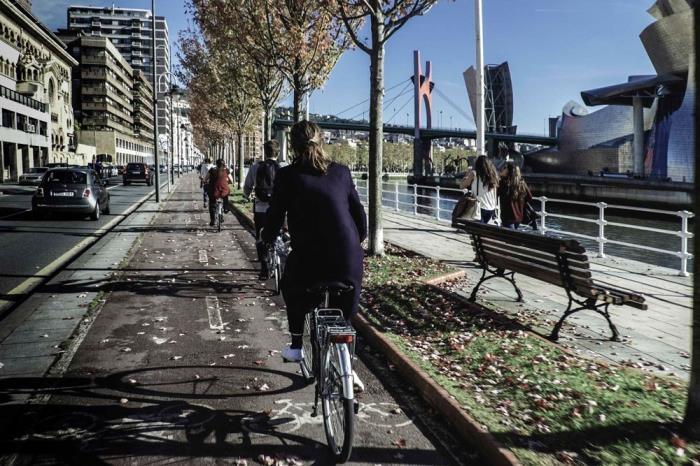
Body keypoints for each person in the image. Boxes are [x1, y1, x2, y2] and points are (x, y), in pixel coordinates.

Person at [262, 121, 367, 367]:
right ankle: (347, 369)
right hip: (348, 258)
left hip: (309, 258)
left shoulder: (287, 175)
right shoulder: (342, 171)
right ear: (321, 141)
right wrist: (355, 242)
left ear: (293, 147)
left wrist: (267, 237)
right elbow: (359, 215)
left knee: (291, 288)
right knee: (345, 316)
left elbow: (276, 215)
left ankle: (297, 346)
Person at [244, 140, 281, 279]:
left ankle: (264, 266)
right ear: (278, 152)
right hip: (278, 208)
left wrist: (246, 196)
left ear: (265, 152)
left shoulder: (255, 167)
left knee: (260, 235)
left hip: (260, 208)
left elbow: (247, 186)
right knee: (279, 233)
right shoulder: (283, 168)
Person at [460, 155, 498, 224]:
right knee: (483, 229)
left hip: (479, 207)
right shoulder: (493, 175)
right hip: (491, 208)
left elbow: (462, 186)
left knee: (476, 229)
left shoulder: (474, 174)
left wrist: (467, 174)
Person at [498, 162, 532, 230]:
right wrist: (520, 202)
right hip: (519, 216)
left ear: (508, 171)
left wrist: (500, 176)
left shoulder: (504, 183)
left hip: (507, 216)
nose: (503, 169)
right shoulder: (521, 182)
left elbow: (497, 194)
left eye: (505, 168)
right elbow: (529, 197)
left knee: (509, 237)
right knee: (512, 235)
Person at [204, 158, 233, 227]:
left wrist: (205, 181)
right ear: (224, 164)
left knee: (212, 204)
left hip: (214, 190)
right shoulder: (226, 170)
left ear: (216, 164)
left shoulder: (212, 170)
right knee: (225, 194)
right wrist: (227, 182)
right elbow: (231, 180)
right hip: (224, 190)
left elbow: (206, 178)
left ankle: (213, 220)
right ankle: (226, 207)